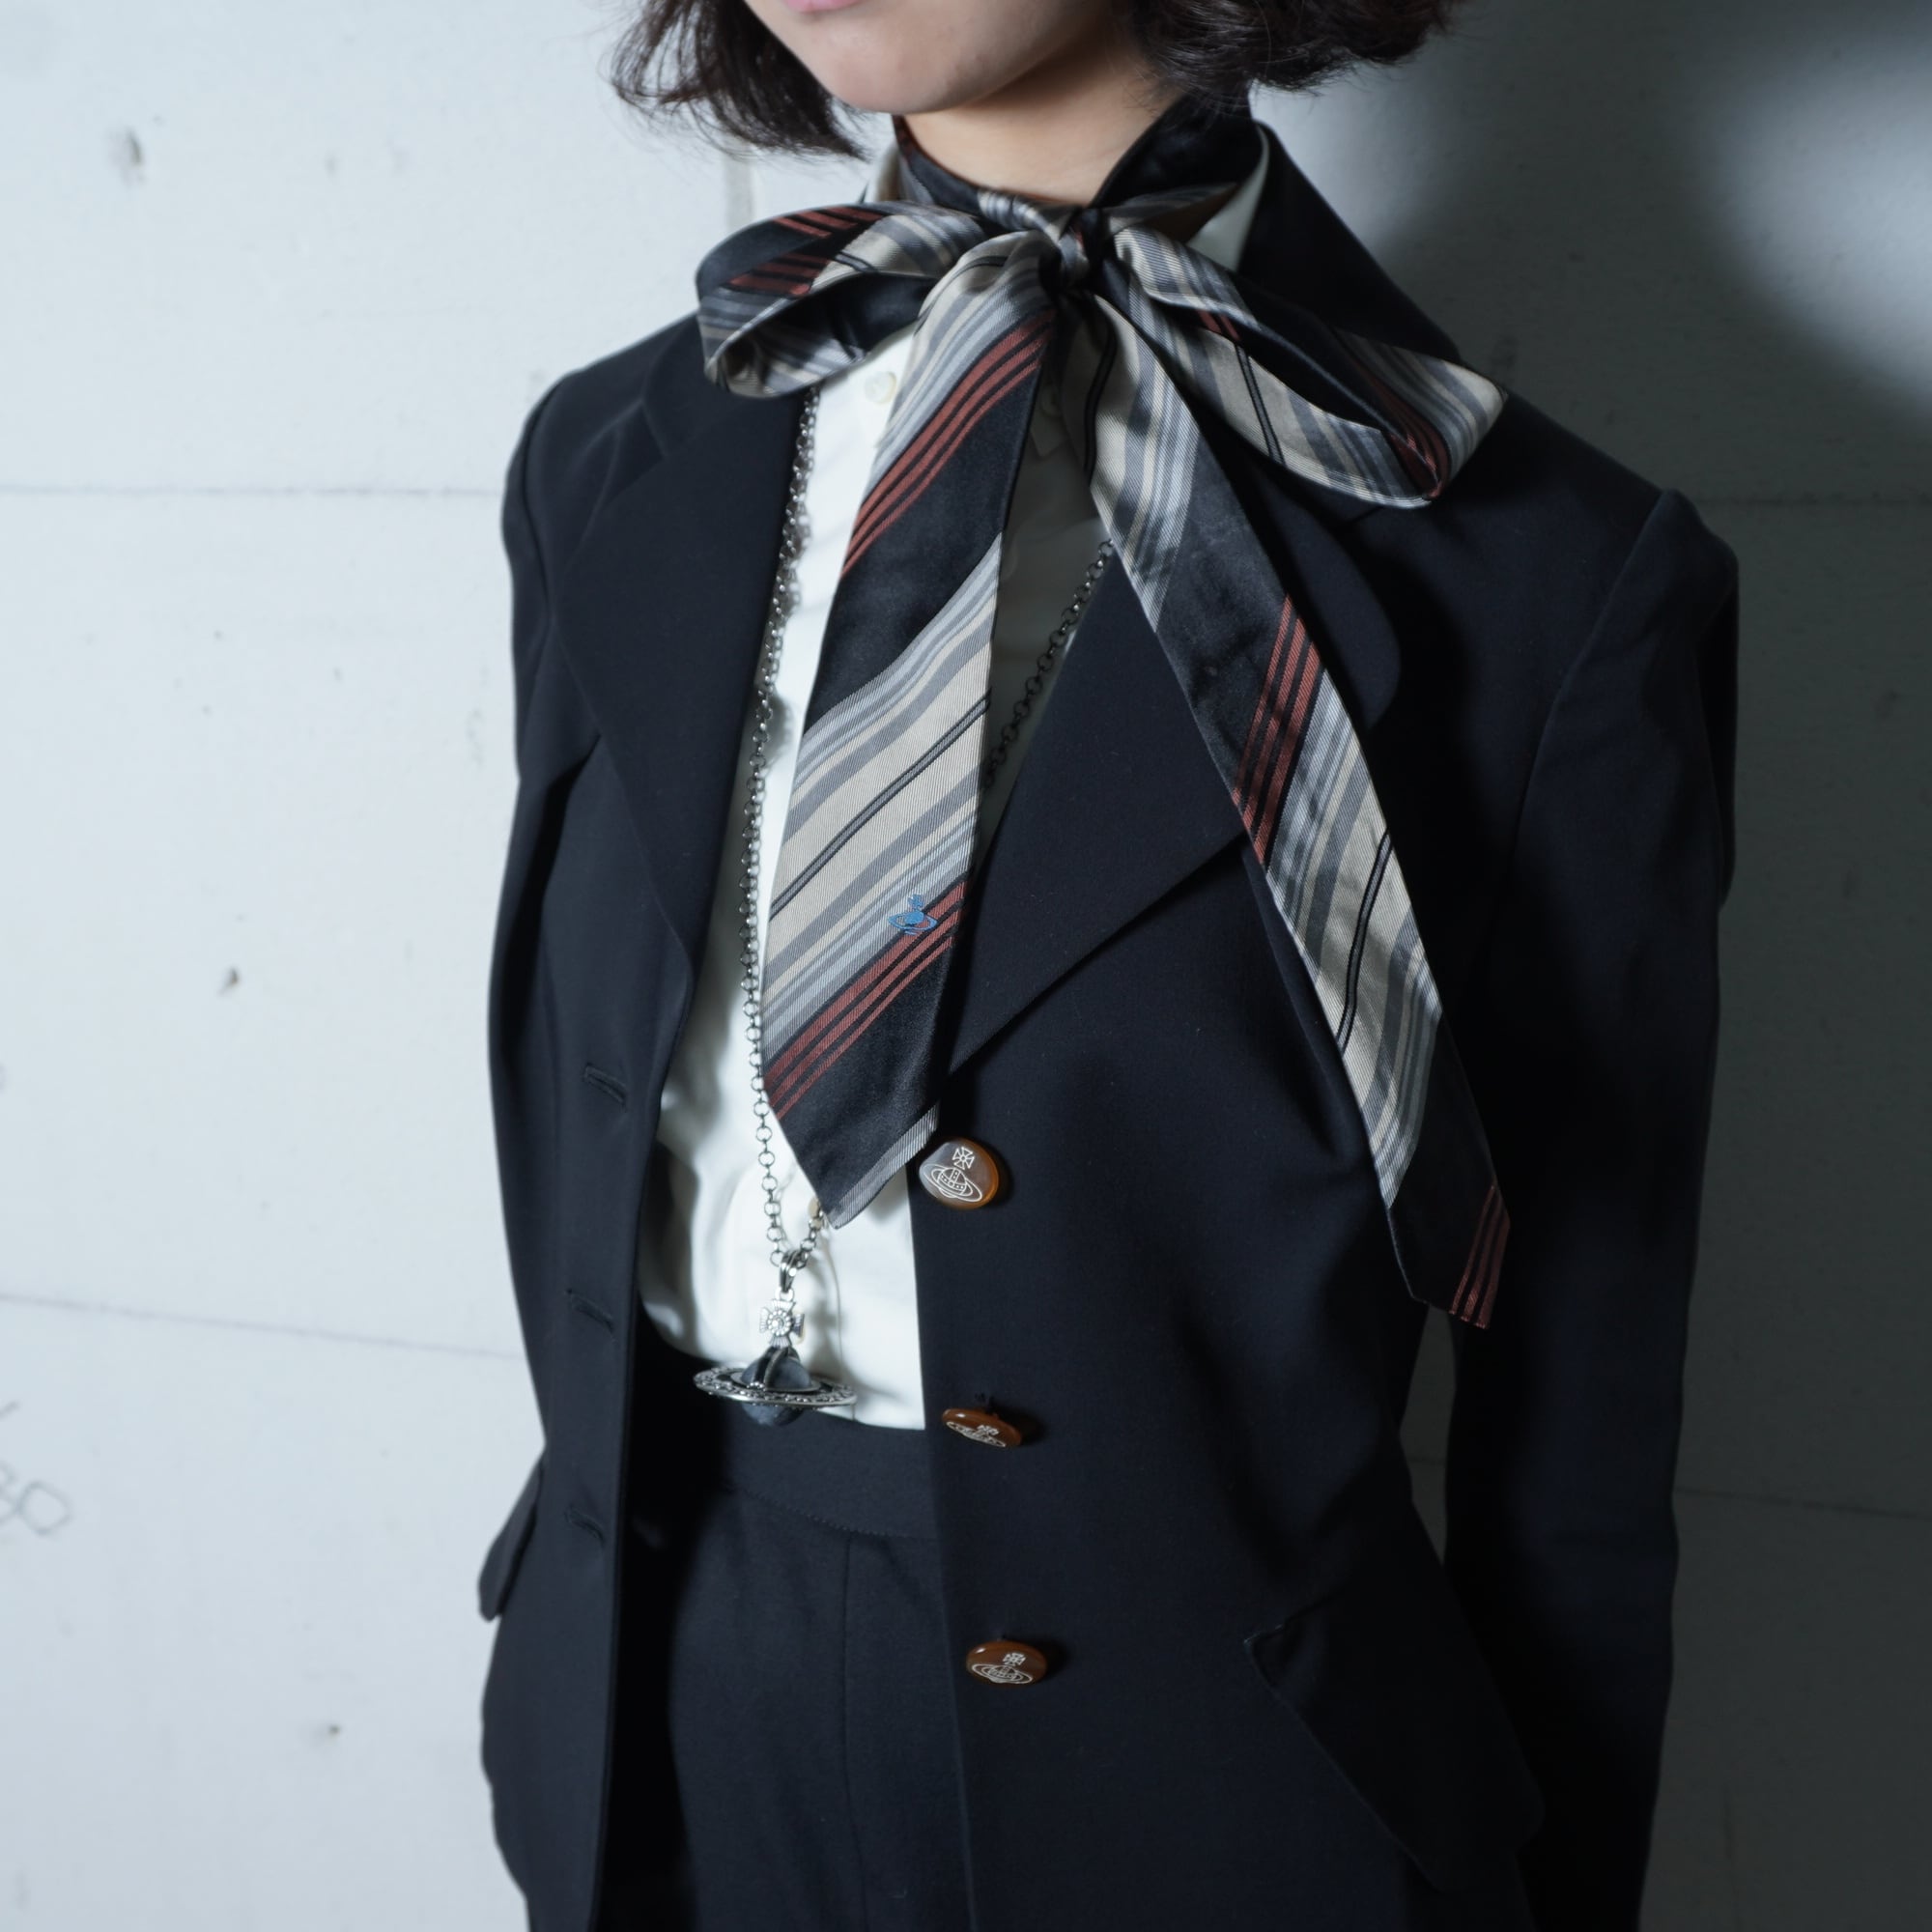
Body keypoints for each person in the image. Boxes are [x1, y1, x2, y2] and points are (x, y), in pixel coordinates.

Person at [472, 0, 1740, 1926]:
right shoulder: (608, 451)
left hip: (1218, 1796)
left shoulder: (1552, 574)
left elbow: (1580, 1429)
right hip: (653, 1710)